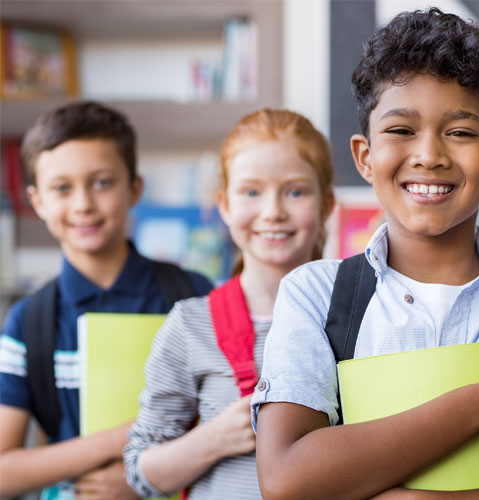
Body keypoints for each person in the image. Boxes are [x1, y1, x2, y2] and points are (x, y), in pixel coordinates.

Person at [251, 8, 479, 500]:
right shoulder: (317, 295)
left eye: (462, 132)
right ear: (364, 156)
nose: (429, 155)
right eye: (401, 130)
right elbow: (287, 480)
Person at [0, 101, 213, 500]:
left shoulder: (196, 296)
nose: (82, 204)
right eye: (62, 188)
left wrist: (145, 477)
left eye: (101, 182)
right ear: (37, 201)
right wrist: (123, 440)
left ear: (135, 187)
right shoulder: (28, 322)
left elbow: (229, 427)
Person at [123, 108, 335, 499]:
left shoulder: (362, 316)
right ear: (224, 205)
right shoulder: (190, 325)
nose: (273, 211)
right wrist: (214, 439)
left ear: (326, 204)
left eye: (295, 191)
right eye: (251, 192)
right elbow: (142, 473)